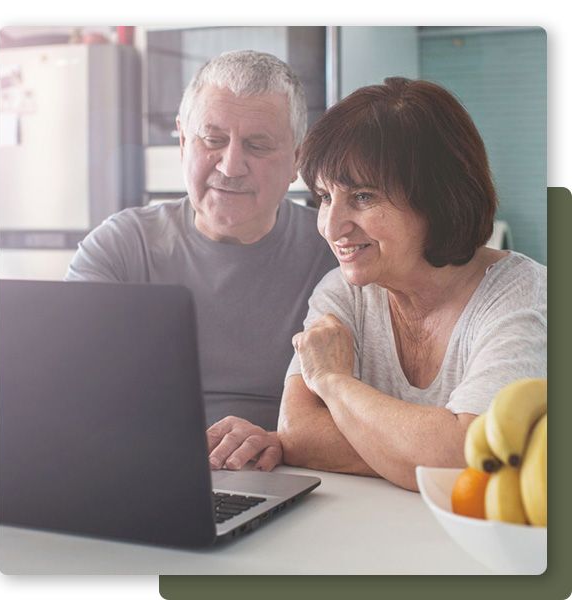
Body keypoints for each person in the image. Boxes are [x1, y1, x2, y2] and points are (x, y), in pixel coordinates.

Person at [216, 77, 546, 490]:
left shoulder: (524, 296)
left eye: (363, 197)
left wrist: (335, 383)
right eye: (324, 197)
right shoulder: (342, 291)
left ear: (440, 196)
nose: (332, 226)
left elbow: (469, 456)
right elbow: (298, 431)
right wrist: (420, 451)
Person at [65, 50, 337, 467]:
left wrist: (282, 441)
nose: (230, 166)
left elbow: (370, 405)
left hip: (287, 474)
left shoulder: (336, 251)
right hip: (141, 469)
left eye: (258, 145)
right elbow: (64, 390)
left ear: (297, 160)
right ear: (182, 141)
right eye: (212, 140)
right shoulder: (120, 248)